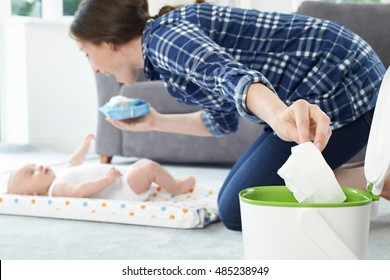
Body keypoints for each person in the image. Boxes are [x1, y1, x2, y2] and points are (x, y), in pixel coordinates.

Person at [70, 0, 387, 230]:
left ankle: (379, 178)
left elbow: (227, 74)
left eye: (87, 54)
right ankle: (373, 170)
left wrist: (278, 116)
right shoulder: (165, 50)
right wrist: (154, 121)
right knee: (234, 194)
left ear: (108, 43)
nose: (94, 68)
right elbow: (220, 121)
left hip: (342, 83)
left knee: (237, 209)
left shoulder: (162, 39)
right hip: (327, 81)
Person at [7, 134, 196, 200]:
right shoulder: (57, 189)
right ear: (31, 194)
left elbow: (73, 162)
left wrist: (84, 147)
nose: (39, 166)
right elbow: (81, 191)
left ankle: (166, 182)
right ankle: (177, 187)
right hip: (123, 188)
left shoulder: (60, 176)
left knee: (142, 163)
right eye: (32, 172)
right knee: (150, 168)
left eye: (34, 165)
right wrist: (106, 180)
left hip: (121, 177)